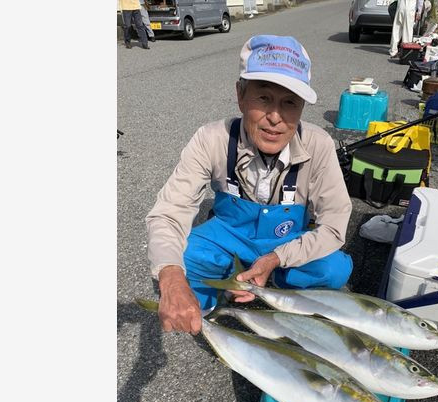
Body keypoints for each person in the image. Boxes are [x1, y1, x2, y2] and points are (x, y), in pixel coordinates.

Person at [146, 35, 354, 334]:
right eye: (264, 98)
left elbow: (334, 226)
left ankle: (274, 282)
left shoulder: (318, 145)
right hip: (228, 234)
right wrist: (170, 278)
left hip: (285, 241)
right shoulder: (212, 138)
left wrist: (277, 258)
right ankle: (203, 307)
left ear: (302, 109)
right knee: (181, 258)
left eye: (290, 103)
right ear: (240, 95)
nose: (275, 118)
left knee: (333, 269)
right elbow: (169, 213)